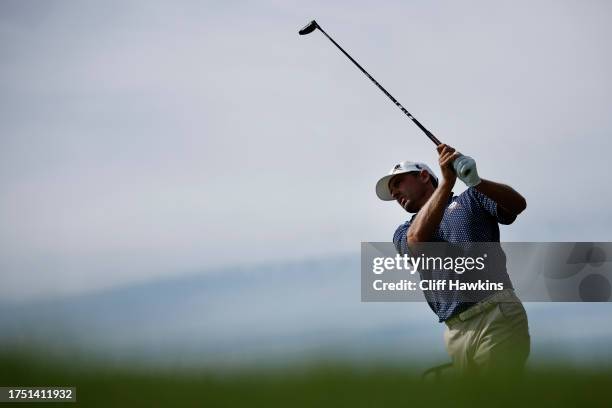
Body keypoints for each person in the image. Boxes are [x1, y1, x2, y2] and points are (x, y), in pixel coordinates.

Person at [375, 144, 530, 376]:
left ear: (424, 176)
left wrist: (477, 181)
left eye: (397, 183)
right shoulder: (404, 230)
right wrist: (447, 182)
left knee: (496, 394)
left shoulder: (472, 198)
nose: (395, 194)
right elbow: (416, 242)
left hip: (495, 313)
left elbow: (517, 205)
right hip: (454, 330)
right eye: (392, 192)